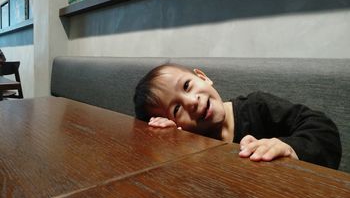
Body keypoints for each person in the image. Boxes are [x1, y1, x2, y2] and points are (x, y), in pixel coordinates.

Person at [133, 63, 342, 170]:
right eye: (176, 109)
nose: (191, 102)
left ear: (203, 77)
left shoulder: (257, 106)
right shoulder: (191, 142)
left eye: (187, 86)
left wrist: (289, 147)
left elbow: (324, 130)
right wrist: (168, 139)